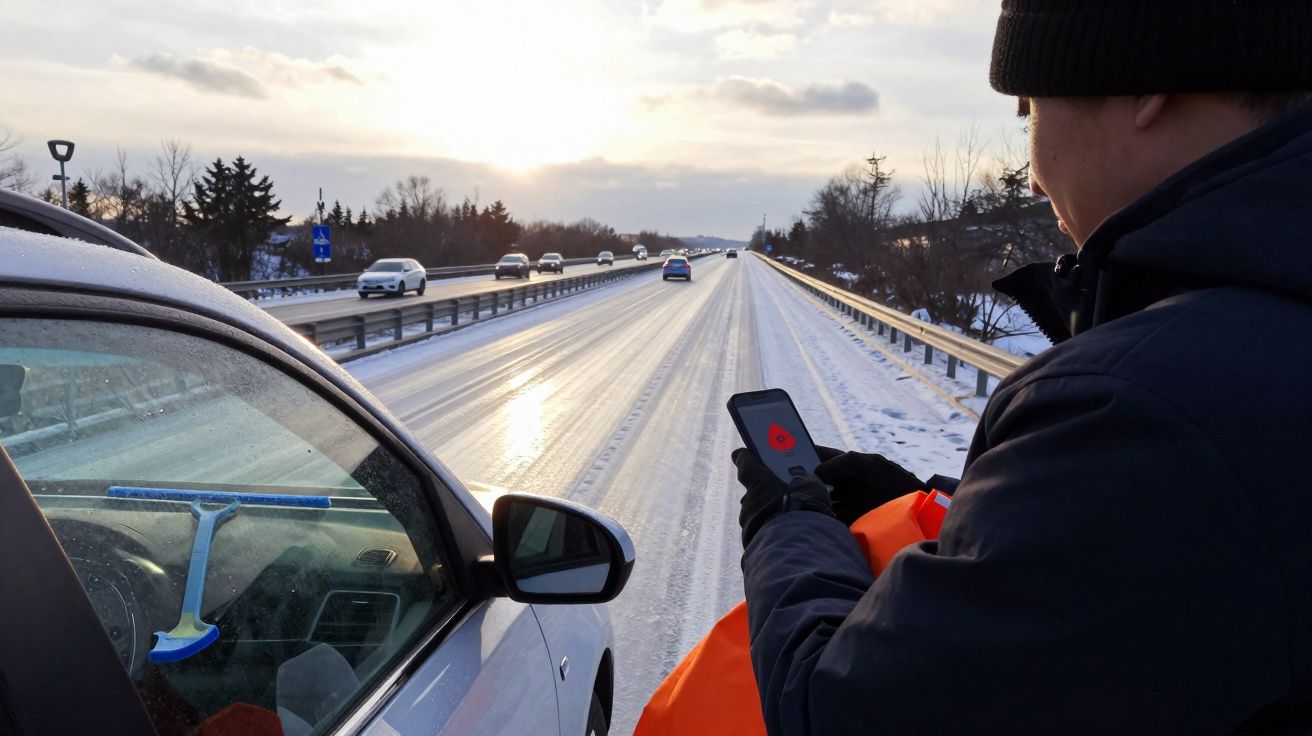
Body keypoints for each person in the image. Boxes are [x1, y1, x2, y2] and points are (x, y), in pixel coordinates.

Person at [731, 1, 1312, 733]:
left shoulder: (1140, 411)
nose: (1033, 178)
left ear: (1146, 85)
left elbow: (840, 709)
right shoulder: (1251, 351)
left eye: (1029, 110)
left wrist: (792, 522)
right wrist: (957, 509)